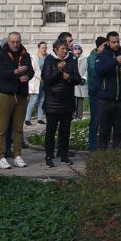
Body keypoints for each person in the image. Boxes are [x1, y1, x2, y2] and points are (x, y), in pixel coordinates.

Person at [0, 32, 34, 169]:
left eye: (17, 41)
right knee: (2, 127)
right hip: (6, 93)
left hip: (21, 93)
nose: (15, 44)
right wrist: (15, 72)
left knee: (18, 127)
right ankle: (1, 157)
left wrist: (27, 76)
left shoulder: (25, 54)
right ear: (8, 42)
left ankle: (17, 155)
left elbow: (31, 71)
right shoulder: (1, 54)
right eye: (12, 42)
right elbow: (0, 72)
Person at [41, 38, 80, 167]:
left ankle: (64, 155)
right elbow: (46, 79)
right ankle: (49, 156)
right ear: (56, 50)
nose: (65, 51)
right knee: (51, 130)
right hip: (52, 101)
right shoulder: (50, 60)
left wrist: (69, 77)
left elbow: (78, 79)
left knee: (65, 130)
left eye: (66, 48)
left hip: (67, 101)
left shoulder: (72, 60)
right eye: (62, 49)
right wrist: (58, 70)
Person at [95, 31, 121, 149]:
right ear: (108, 43)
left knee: (120, 131)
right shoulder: (101, 56)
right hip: (105, 99)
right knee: (104, 129)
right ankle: (102, 157)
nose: (116, 44)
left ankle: (117, 156)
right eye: (113, 42)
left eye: (118, 41)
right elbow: (99, 71)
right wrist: (115, 62)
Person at [86, 36, 106, 151]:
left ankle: (103, 146)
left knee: (105, 121)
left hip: (105, 92)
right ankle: (93, 147)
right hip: (96, 92)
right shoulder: (91, 58)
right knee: (95, 120)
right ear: (98, 47)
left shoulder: (106, 56)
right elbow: (97, 71)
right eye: (104, 45)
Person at [26, 41, 49, 126]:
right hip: (37, 81)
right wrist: (42, 78)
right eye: (43, 48)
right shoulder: (34, 58)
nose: (44, 49)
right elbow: (33, 70)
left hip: (45, 82)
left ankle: (40, 118)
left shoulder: (48, 57)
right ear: (39, 48)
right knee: (34, 100)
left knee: (42, 100)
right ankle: (27, 119)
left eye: (45, 47)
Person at [73, 44, 88, 119]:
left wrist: (84, 78)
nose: (77, 51)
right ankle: (72, 115)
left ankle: (79, 115)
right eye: (75, 49)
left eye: (79, 49)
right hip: (72, 81)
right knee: (72, 98)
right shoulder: (71, 59)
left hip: (81, 81)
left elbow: (87, 70)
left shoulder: (85, 59)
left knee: (80, 98)